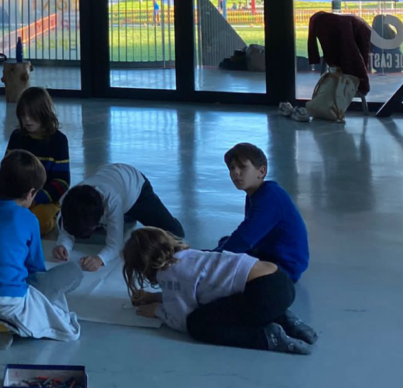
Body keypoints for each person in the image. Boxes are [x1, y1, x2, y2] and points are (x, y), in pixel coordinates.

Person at [0, 150, 83, 349]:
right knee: (74, 272)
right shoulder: (29, 219)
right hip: (10, 303)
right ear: (31, 193)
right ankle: (4, 321)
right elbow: (35, 269)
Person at [122, 227, 316, 355]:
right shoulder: (187, 256)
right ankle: (285, 319)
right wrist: (155, 296)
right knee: (224, 306)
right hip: (280, 281)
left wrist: (157, 310)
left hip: (264, 295)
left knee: (198, 324)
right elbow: (188, 293)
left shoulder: (170, 274)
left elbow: (181, 319)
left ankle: (268, 338)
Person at [54, 163, 183, 272]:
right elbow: (66, 229)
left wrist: (100, 259)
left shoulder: (112, 200)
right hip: (111, 179)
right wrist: (63, 245)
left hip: (135, 189)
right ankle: (123, 218)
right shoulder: (69, 200)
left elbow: (115, 245)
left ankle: (128, 216)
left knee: (175, 234)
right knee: (89, 229)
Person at [213, 143, 309, 282]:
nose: (235, 173)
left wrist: (209, 259)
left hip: (283, 267)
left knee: (224, 260)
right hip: (267, 253)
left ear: (262, 171)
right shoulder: (255, 194)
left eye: (242, 167)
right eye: (232, 168)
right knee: (225, 244)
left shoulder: (270, 196)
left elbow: (244, 238)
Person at [4, 87, 70, 235]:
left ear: (44, 113)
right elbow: (6, 172)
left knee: (39, 222)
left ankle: (56, 215)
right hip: (17, 198)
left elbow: (62, 182)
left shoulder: (58, 141)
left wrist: (35, 199)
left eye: (32, 115)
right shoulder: (17, 137)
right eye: (23, 114)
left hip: (45, 199)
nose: (26, 119)